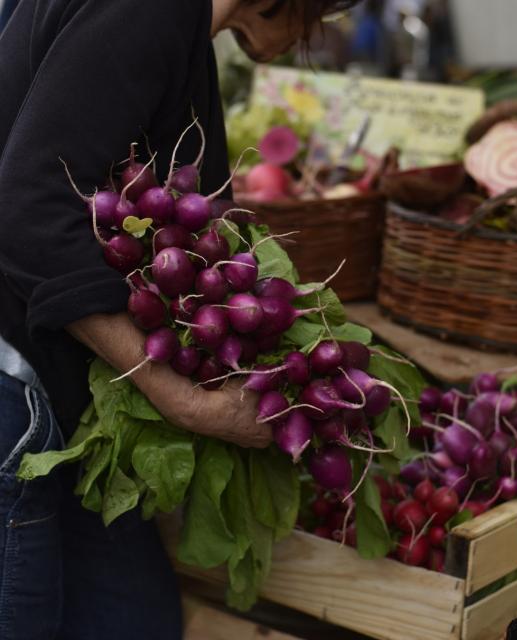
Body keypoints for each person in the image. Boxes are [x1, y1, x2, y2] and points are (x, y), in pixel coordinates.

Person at [0, 1, 361, 638]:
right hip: (15, 391)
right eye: (322, 14)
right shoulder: (152, 10)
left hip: (67, 391)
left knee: (134, 617)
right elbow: (30, 204)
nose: (315, 34)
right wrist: (185, 402)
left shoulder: (180, 27)